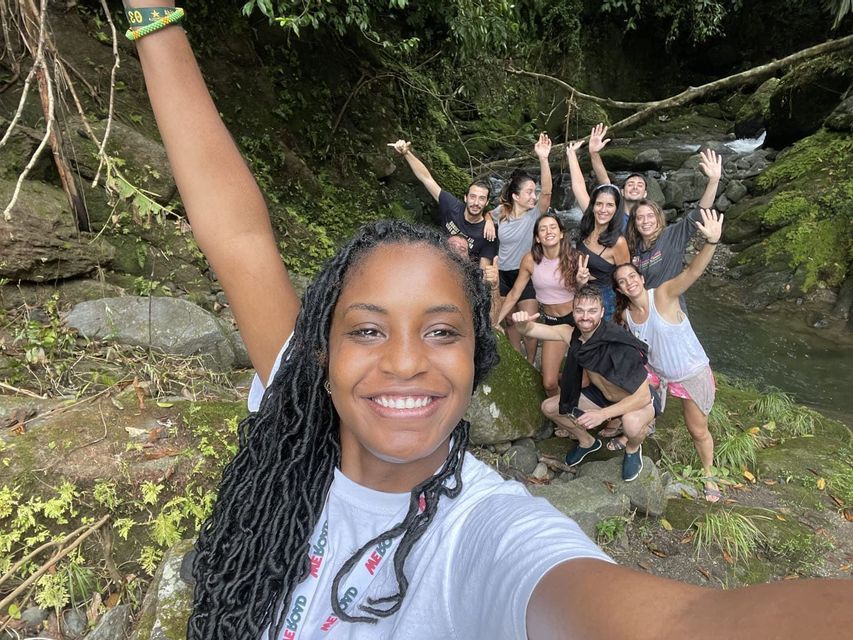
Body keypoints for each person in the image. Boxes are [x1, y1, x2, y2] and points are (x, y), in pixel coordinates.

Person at [130, 5, 853, 638]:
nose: (405, 361)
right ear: (320, 352)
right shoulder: (295, 399)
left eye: (442, 331)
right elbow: (237, 236)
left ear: (478, 359)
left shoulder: (487, 534)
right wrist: (152, 15)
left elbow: (677, 624)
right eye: (368, 329)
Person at [614, 209, 725, 501]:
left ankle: (709, 475)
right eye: (622, 281)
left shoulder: (663, 294)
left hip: (690, 373)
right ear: (619, 289)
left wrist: (711, 242)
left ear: (641, 277)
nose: (629, 282)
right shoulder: (626, 315)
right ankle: (637, 434)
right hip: (658, 375)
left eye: (632, 276)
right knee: (634, 411)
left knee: (697, 430)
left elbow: (692, 272)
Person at [513, 287, 659, 482]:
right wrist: (522, 325)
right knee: (549, 407)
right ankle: (587, 441)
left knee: (631, 424)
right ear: (573, 312)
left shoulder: (618, 343)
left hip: (636, 399)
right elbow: (532, 329)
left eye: (592, 311)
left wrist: (602, 415)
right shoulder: (570, 333)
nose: (585, 317)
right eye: (580, 310)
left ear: (602, 312)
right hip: (601, 396)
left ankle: (633, 449)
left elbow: (643, 396)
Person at [494, 215, 586, 397]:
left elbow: (587, 295)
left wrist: (582, 283)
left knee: (584, 382)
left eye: (553, 227)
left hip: (579, 320)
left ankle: (574, 397)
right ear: (537, 237)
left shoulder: (576, 258)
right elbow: (514, 293)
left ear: (561, 233)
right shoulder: (530, 260)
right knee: (549, 383)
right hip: (553, 323)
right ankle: (560, 410)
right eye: (543, 229)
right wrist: (496, 321)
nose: (548, 231)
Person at [492, 136, 553, 364]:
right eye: (529, 192)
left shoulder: (534, 215)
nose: (533, 196)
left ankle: (531, 362)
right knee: (509, 321)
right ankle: (517, 362)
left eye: (533, 192)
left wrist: (543, 159)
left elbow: (547, 193)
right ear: (516, 196)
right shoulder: (502, 213)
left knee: (528, 322)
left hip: (527, 273)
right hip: (504, 274)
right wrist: (488, 222)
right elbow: (487, 215)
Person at [626, 148, 722, 290]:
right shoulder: (635, 246)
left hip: (670, 302)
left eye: (650, 216)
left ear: (659, 218)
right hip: (644, 302)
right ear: (634, 223)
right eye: (640, 217)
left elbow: (699, 212)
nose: (646, 221)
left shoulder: (673, 235)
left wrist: (713, 181)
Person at [391, 139, 498, 266]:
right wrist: (406, 153)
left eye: (481, 198)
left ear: (487, 202)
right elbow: (427, 179)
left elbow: (483, 269)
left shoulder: (488, 233)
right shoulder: (451, 206)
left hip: (462, 271)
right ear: (465, 198)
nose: (476, 202)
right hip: (438, 260)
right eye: (473, 197)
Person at [566, 140, 630, 321]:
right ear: (592, 206)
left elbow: (625, 278)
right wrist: (571, 154)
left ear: (616, 209)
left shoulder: (618, 242)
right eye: (599, 204)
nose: (603, 210)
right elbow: (578, 186)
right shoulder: (588, 224)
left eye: (610, 205)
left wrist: (626, 315)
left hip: (606, 302)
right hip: (581, 293)